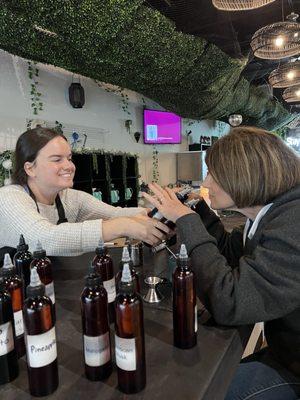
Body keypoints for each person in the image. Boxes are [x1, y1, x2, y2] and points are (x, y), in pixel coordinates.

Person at [143, 126, 300, 400]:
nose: (205, 183)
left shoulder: (293, 222)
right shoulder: (270, 213)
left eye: (213, 173)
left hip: (294, 365)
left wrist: (186, 221)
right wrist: (199, 213)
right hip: (286, 351)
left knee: (202, 391)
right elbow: (230, 252)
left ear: (243, 176)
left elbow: (231, 302)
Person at [0, 127, 169, 257]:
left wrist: (159, 213)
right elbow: (44, 238)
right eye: (57, 159)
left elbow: (115, 213)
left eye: (69, 158)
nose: (69, 166)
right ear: (30, 169)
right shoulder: (9, 198)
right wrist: (122, 226)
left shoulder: (70, 198)